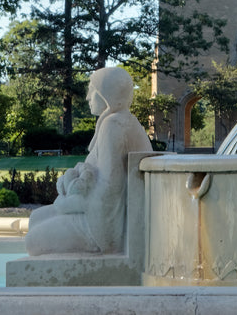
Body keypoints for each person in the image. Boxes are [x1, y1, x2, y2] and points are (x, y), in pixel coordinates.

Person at [26, 66, 152, 256]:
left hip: (104, 225)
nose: (87, 97)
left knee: (32, 241)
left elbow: (110, 189)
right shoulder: (114, 121)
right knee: (35, 218)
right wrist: (73, 174)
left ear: (105, 95)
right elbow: (96, 168)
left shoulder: (114, 125)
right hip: (96, 210)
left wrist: (68, 204)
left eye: (91, 90)